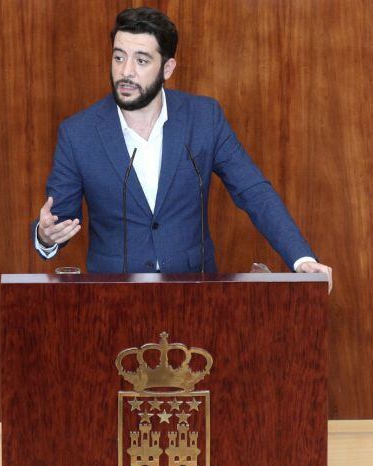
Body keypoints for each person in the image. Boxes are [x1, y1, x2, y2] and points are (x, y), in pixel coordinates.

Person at [33, 7, 331, 278]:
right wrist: (46, 236)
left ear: (168, 68)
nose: (126, 71)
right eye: (118, 56)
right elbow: (60, 219)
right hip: (112, 299)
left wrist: (300, 258)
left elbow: (253, 191)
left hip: (194, 296)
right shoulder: (78, 133)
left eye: (141, 60)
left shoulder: (204, 118)